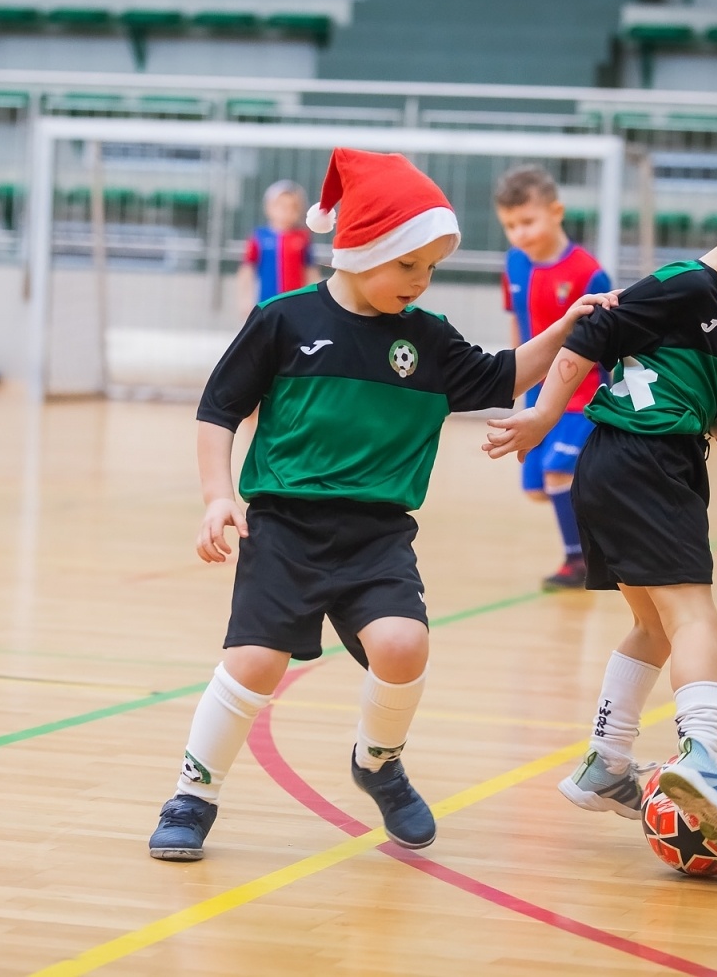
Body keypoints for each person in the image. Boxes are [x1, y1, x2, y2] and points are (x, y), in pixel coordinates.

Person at [148, 148, 617, 861]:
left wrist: (565, 329)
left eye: (430, 267)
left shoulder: (426, 337)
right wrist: (218, 497)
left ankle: (378, 762)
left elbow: (502, 376)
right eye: (408, 264)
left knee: (403, 644)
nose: (421, 280)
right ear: (363, 247)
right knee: (255, 664)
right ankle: (192, 795)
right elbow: (218, 409)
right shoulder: (282, 320)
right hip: (284, 527)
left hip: (377, 534)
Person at [485, 176, 717, 856]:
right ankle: (706, 753)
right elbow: (590, 334)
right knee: (695, 618)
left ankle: (607, 764)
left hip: (630, 468)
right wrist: (542, 414)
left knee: (655, 625)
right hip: (644, 464)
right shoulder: (684, 286)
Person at [495, 164, 612, 591]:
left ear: (556, 212)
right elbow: (517, 320)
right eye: (510, 225)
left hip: (581, 394)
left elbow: (608, 338)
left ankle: (580, 561)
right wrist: (514, 376)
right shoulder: (514, 264)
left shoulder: (588, 273)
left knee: (558, 472)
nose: (519, 233)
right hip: (536, 394)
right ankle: (602, 510)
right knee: (537, 488)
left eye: (527, 221)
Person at [239, 180, 317, 317]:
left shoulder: (303, 237)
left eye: (293, 207)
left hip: (295, 303)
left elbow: (310, 270)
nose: (287, 211)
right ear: (269, 207)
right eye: (282, 206)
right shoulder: (259, 236)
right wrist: (245, 299)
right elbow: (247, 269)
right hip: (266, 302)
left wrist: (314, 299)